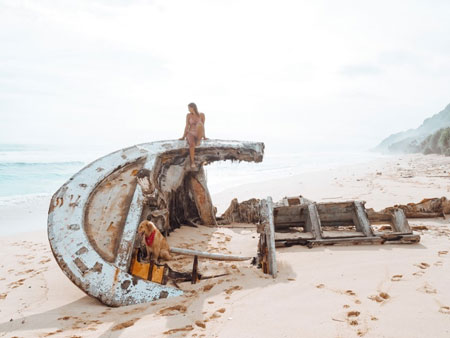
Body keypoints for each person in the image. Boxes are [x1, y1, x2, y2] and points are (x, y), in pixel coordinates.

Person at [179, 102, 208, 168]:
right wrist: (183, 136)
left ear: (193, 108)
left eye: (189, 108)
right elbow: (187, 126)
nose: (188, 110)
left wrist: (204, 136)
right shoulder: (188, 115)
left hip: (198, 133)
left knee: (200, 124)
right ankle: (192, 162)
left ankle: (198, 140)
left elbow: (203, 126)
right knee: (192, 145)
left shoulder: (202, 115)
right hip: (190, 133)